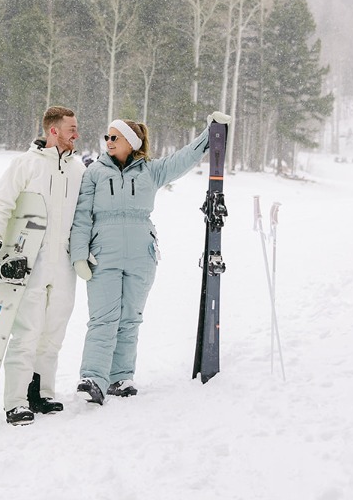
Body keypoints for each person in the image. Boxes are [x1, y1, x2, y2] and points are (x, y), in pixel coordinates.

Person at [69, 112, 231, 404]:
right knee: (103, 318)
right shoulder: (93, 173)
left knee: (130, 318)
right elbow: (82, 216)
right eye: (106, 137)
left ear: (130, 143)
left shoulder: (151, 172)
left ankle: (120, 377)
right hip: (103, 254)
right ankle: (93, 377)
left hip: (141, 255)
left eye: (113, 137)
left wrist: (211, 135)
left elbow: (182, 159)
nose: (107, 141)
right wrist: (79, 253)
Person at [0, 105, 86, 425]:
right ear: (53, 131)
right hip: (30, 257)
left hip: (62, 260)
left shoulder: (78, 169)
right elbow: (2, 203)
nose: (77, 133)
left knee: (54, 331)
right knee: (27, 331)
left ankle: (42, 393)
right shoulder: (26, 164)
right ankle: (16, 401)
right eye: (71, 128)